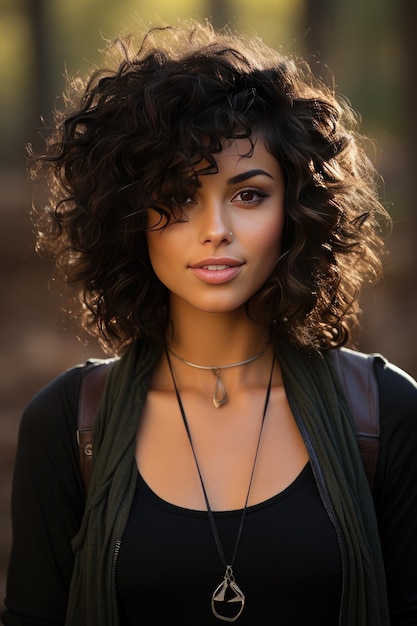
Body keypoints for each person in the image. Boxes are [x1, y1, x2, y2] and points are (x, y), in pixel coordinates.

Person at [2, 18, 417, 626]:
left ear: (297, 212)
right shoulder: (68, 425)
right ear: (130, 216)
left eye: (248, 194)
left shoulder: (384, 414)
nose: (215, 228)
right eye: (178, 196)